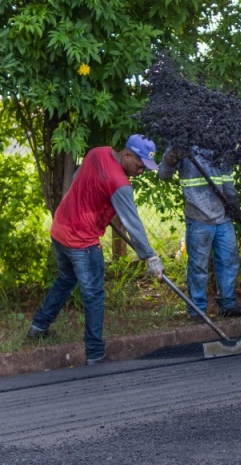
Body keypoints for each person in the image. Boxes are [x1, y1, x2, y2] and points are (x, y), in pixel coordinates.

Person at [27, 135, 165, 365]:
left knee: (65, 279)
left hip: (60, 229)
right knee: (93, 295)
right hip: (81, 241)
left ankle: (38, 326)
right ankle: (95, 353)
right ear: (127, 154)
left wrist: (93, 202)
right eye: (140, 165)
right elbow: (133, 224)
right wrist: (150, 257)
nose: (141, 171)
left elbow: (76, 177)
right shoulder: (120, 184)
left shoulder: (98, 152)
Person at [158, 145, 241, 318]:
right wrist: (172, 156)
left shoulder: (219, 144)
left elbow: (227, 180)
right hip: (198, 216)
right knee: (198, 266)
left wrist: (233, 204)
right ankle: (197, 310)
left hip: (223, 216)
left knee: (228, 261)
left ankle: (228, 305)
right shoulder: (182, 143)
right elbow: (163, 173)